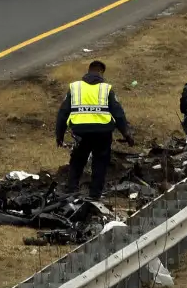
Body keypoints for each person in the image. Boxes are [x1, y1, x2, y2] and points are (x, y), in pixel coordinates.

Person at [55, 61, 134, 198]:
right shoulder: (106, 89)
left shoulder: (75, 88)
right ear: (101, 72)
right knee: (100, 163)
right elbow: (118, 113)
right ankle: (95, 194)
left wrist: (59, 135)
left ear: (88, 71)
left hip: (81, 132)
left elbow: (63, 113)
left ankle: (72, 191)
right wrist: (126, 134)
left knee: (77, 161)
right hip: (102, 133)